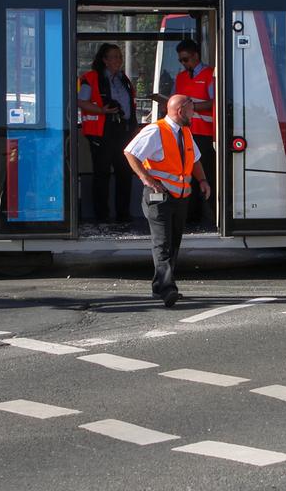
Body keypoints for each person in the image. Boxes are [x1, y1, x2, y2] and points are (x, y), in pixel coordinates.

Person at [124, 94, 211, 307]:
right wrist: (147, 178)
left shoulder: (186, 132)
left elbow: (196, 159)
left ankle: (159, 285)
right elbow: (130, 153)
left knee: (173, 242)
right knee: (162, 242)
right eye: (191, 110)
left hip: (180, 196)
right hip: (158, 198)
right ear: (180, 111)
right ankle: (167, 288)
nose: (194, 113)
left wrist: (203, 180)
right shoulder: (156, 130)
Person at [78, 43, 136, 224]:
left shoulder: (123, 78)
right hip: (101, 132)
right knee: (101, 174)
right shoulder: (91, 78)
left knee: (125, 173)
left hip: (123, 130)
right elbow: (80, 101)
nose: (118, 60)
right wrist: (102, 110)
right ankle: (101, 216)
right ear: (104, 60)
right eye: (114, 57)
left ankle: (123, 215)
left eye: (119, 56)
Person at [173, 39, 215, 229]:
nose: (184, 63)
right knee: (186, 174)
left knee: (206, 173)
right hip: (184, 133)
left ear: (196, 56)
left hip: (204, 134)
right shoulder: (180, 77)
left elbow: (216, 101)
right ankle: (191, 216)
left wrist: (191, 107)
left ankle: (213, 215)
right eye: (181, 60)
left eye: (186, 59)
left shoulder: (210, 75)